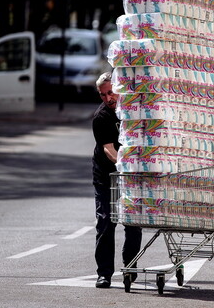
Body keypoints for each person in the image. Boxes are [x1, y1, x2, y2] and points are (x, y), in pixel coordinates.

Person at [92, 72, 142, 289]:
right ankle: (104, 273)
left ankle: (130, 267)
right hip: (107, 177)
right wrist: (125, 166)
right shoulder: (101, 117)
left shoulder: (131, 111)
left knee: (132, 223)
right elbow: (109, 150)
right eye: (103, 95)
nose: (108, 98)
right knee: (105, 222)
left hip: (130, 177)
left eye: (111, 92)